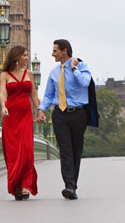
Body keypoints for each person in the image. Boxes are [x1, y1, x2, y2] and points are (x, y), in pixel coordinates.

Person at [36, 39, 92, 200]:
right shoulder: (54, 72)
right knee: (65, 149)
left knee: (75, 149)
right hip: (59, 114)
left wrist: (74, 68)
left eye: (55, 51)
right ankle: (69, 185)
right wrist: (41, 110)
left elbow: (84, 83)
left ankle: (73, 185)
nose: (52, 54)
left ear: (64, 51)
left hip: (78, 114)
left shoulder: (81, 67)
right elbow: (48, 95)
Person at [0, 45, 39, 200]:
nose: (27, 58)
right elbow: (3, 93)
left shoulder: (29, 73)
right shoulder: (5, 75)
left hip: (26, 115)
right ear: (16, 57)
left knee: (27, 150)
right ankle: (16, 186)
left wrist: (39, 111)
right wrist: (3, 107)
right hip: (11, 116)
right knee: (14, 152)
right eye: (24, 55)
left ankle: (25, 186)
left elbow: (34, 95)